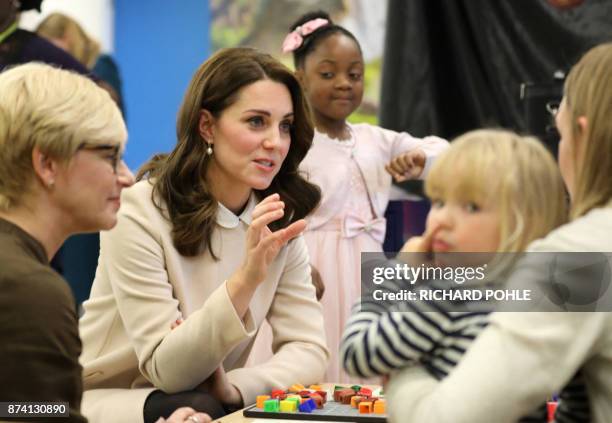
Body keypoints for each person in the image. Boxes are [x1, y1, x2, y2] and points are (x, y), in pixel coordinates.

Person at [78, 47, 329, 423]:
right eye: (257, 122)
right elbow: (169, 372)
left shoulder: (277, 216)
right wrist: (247, 278)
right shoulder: (139, 209)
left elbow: (310, 350)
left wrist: (237, 387)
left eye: (285, 125)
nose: (275, 142)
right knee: (200, 407)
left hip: (203, 401)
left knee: (215, 406)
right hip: (105, 397)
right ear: (207, 126)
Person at [382, 42, 612, 423]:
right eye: (440, 203)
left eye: (561, 136)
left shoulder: (579, 255)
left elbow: (446, 417)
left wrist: (398, 358)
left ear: (583, 134)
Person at [248, 10, 448, 383]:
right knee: (309, 376)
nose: (344, 83)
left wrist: (422, 159)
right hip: (314, 275)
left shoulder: (376, 140)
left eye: (354, 74)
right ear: (299, 79)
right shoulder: (292, 145)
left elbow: (451, 154)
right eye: (328, 74)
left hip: (367, 278)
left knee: (363, 376)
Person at [0, 63, 208, 423]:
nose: (127, 177)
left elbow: (18, 410)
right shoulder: (28, 290)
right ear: (47, 164)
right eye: (110, 156)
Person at [340, 129, 592, 421]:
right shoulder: (549, 299)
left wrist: (401, 271)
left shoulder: (446, 296)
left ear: (522, 220)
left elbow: (357, 354)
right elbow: (579, 403)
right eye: (438, 202)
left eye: (470, 206)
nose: (441, 219)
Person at [35, 12, 125, 115]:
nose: (49, 56)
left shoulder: (101, 65)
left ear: (67, 38)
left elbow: (114, 113)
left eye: (52, 49)